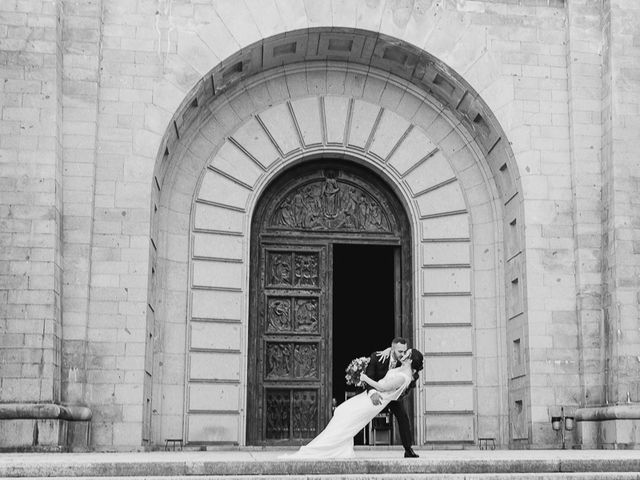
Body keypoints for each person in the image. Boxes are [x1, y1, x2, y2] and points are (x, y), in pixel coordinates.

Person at [281, 348, 423, 459]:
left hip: (374, 401)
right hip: (369, 397)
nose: (404, 354)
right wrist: (389, 350)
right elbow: (390, 362)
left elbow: (383, 387)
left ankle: (325, 447)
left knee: (347, 416)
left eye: (407, 353)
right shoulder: (401, 369)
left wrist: (365, 378)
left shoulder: (404, 377)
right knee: (342, 411)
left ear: (410, 360)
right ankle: (339, 448)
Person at [365, 337, 423, 458]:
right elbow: (370, 375)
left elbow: (410, 382)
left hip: (391, 396)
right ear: (392, 350)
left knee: (403, 417)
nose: (402, 354)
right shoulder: (378, 357)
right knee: (361, 415)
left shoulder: (405, 363)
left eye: (404, 351)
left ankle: (408, 449)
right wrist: (372, 393)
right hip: (376, 392)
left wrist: (400, 393)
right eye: (399, 351)